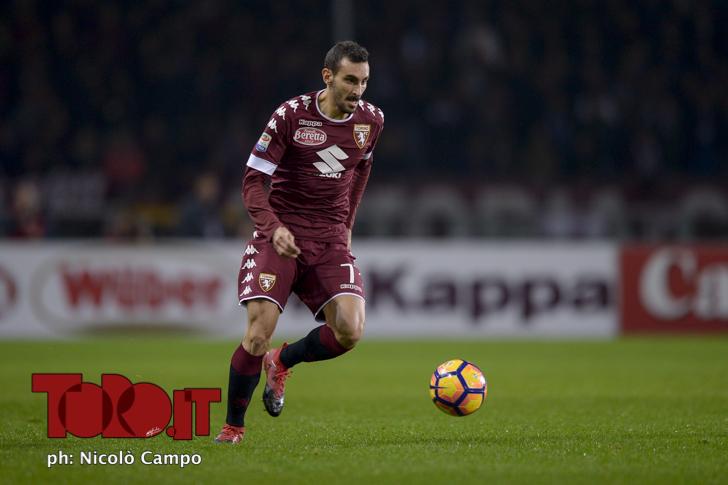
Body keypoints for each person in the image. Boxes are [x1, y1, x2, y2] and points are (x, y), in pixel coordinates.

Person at [215, 41, 384, 444]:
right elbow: (253, 182)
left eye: (364, 81)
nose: (358, 90)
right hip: (281, 234)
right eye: (350, 80)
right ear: (328, 77)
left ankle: (282, 361)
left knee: (350, 330)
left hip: (329, 238)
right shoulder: (290, 116)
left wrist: (347, 224)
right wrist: (273, 228)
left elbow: (361, 170)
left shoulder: (372, 120)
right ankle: (233, 427)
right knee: (258, 333)